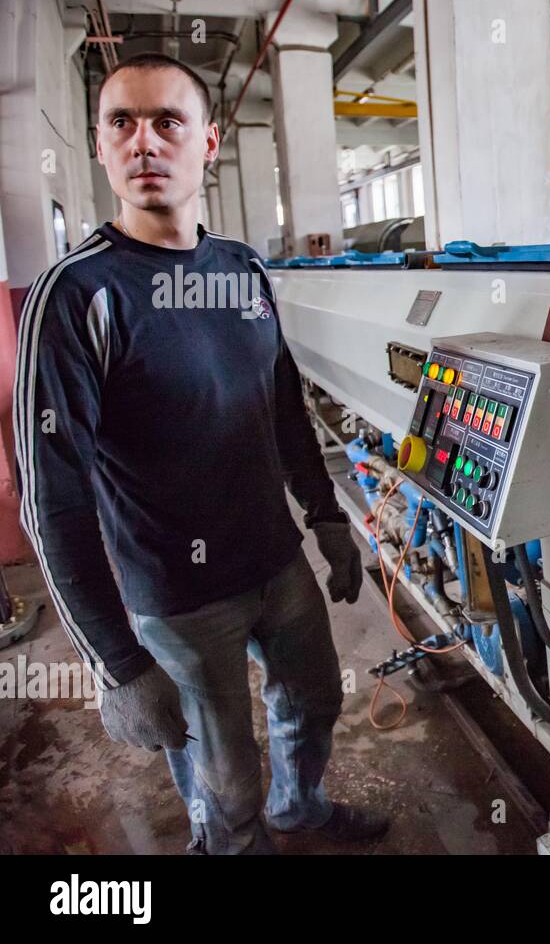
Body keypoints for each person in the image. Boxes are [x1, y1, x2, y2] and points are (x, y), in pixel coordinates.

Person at [13, 52, 387, 854]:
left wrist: (326, 518)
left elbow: (282, 405)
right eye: (122, 123)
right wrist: (117, 663)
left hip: (277, 564)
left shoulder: (244, 270)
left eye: (167, 122)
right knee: (223, 777)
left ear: (208, 144)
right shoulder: (78, 295)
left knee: (314, 702)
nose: (144, 141)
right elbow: (52, 501)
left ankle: (302, 808)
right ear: (101, 146)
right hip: (179, 599)